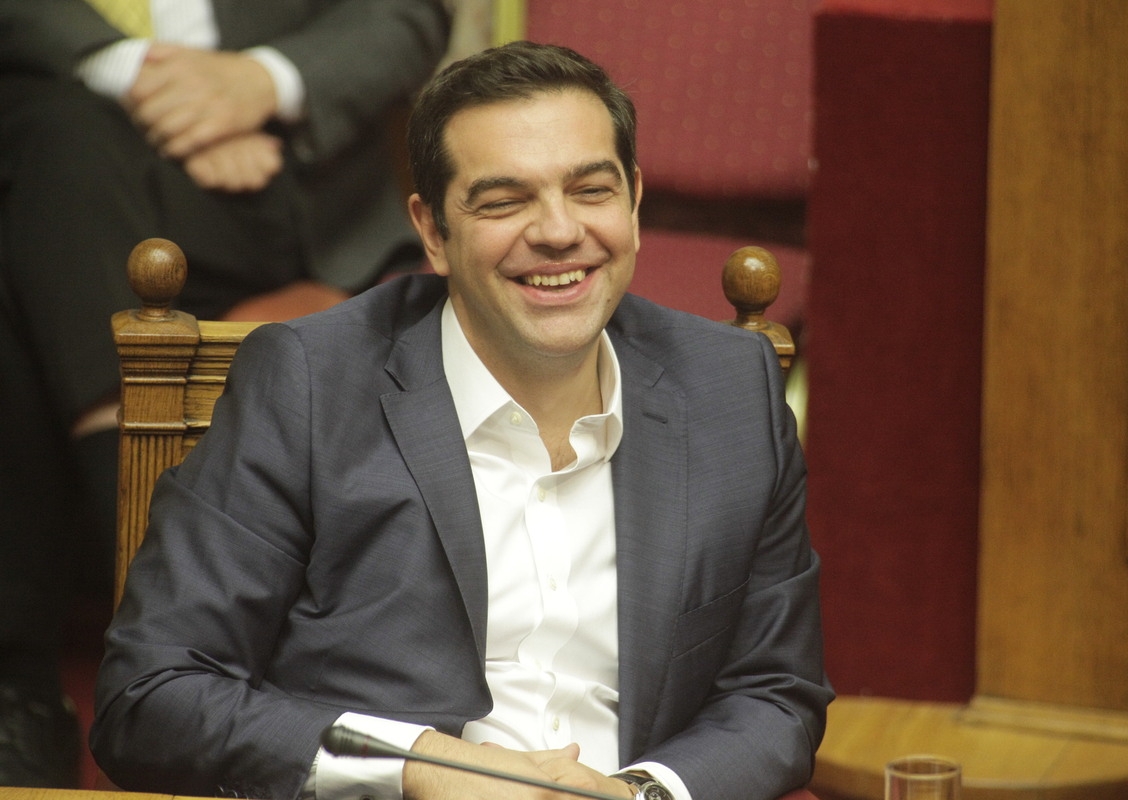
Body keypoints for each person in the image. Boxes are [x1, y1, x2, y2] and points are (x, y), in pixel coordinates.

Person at [90, 41, 833, 800]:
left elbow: (776, 693)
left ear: (634, 203)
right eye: (504, 201)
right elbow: (150, 697)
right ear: (433, 232)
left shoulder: (728, 391)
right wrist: (425, 769)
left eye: (591, 190)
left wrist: (643, 794)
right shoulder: (310, 385)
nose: (558, 231)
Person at [0, 0, 450, 787]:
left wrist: (260, 84)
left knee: (39, 204)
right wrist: (143, 80)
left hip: (279, 178)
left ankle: (24, 687)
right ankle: (149, 593)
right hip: (65, 145)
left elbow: (405, 12)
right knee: (58, 148)